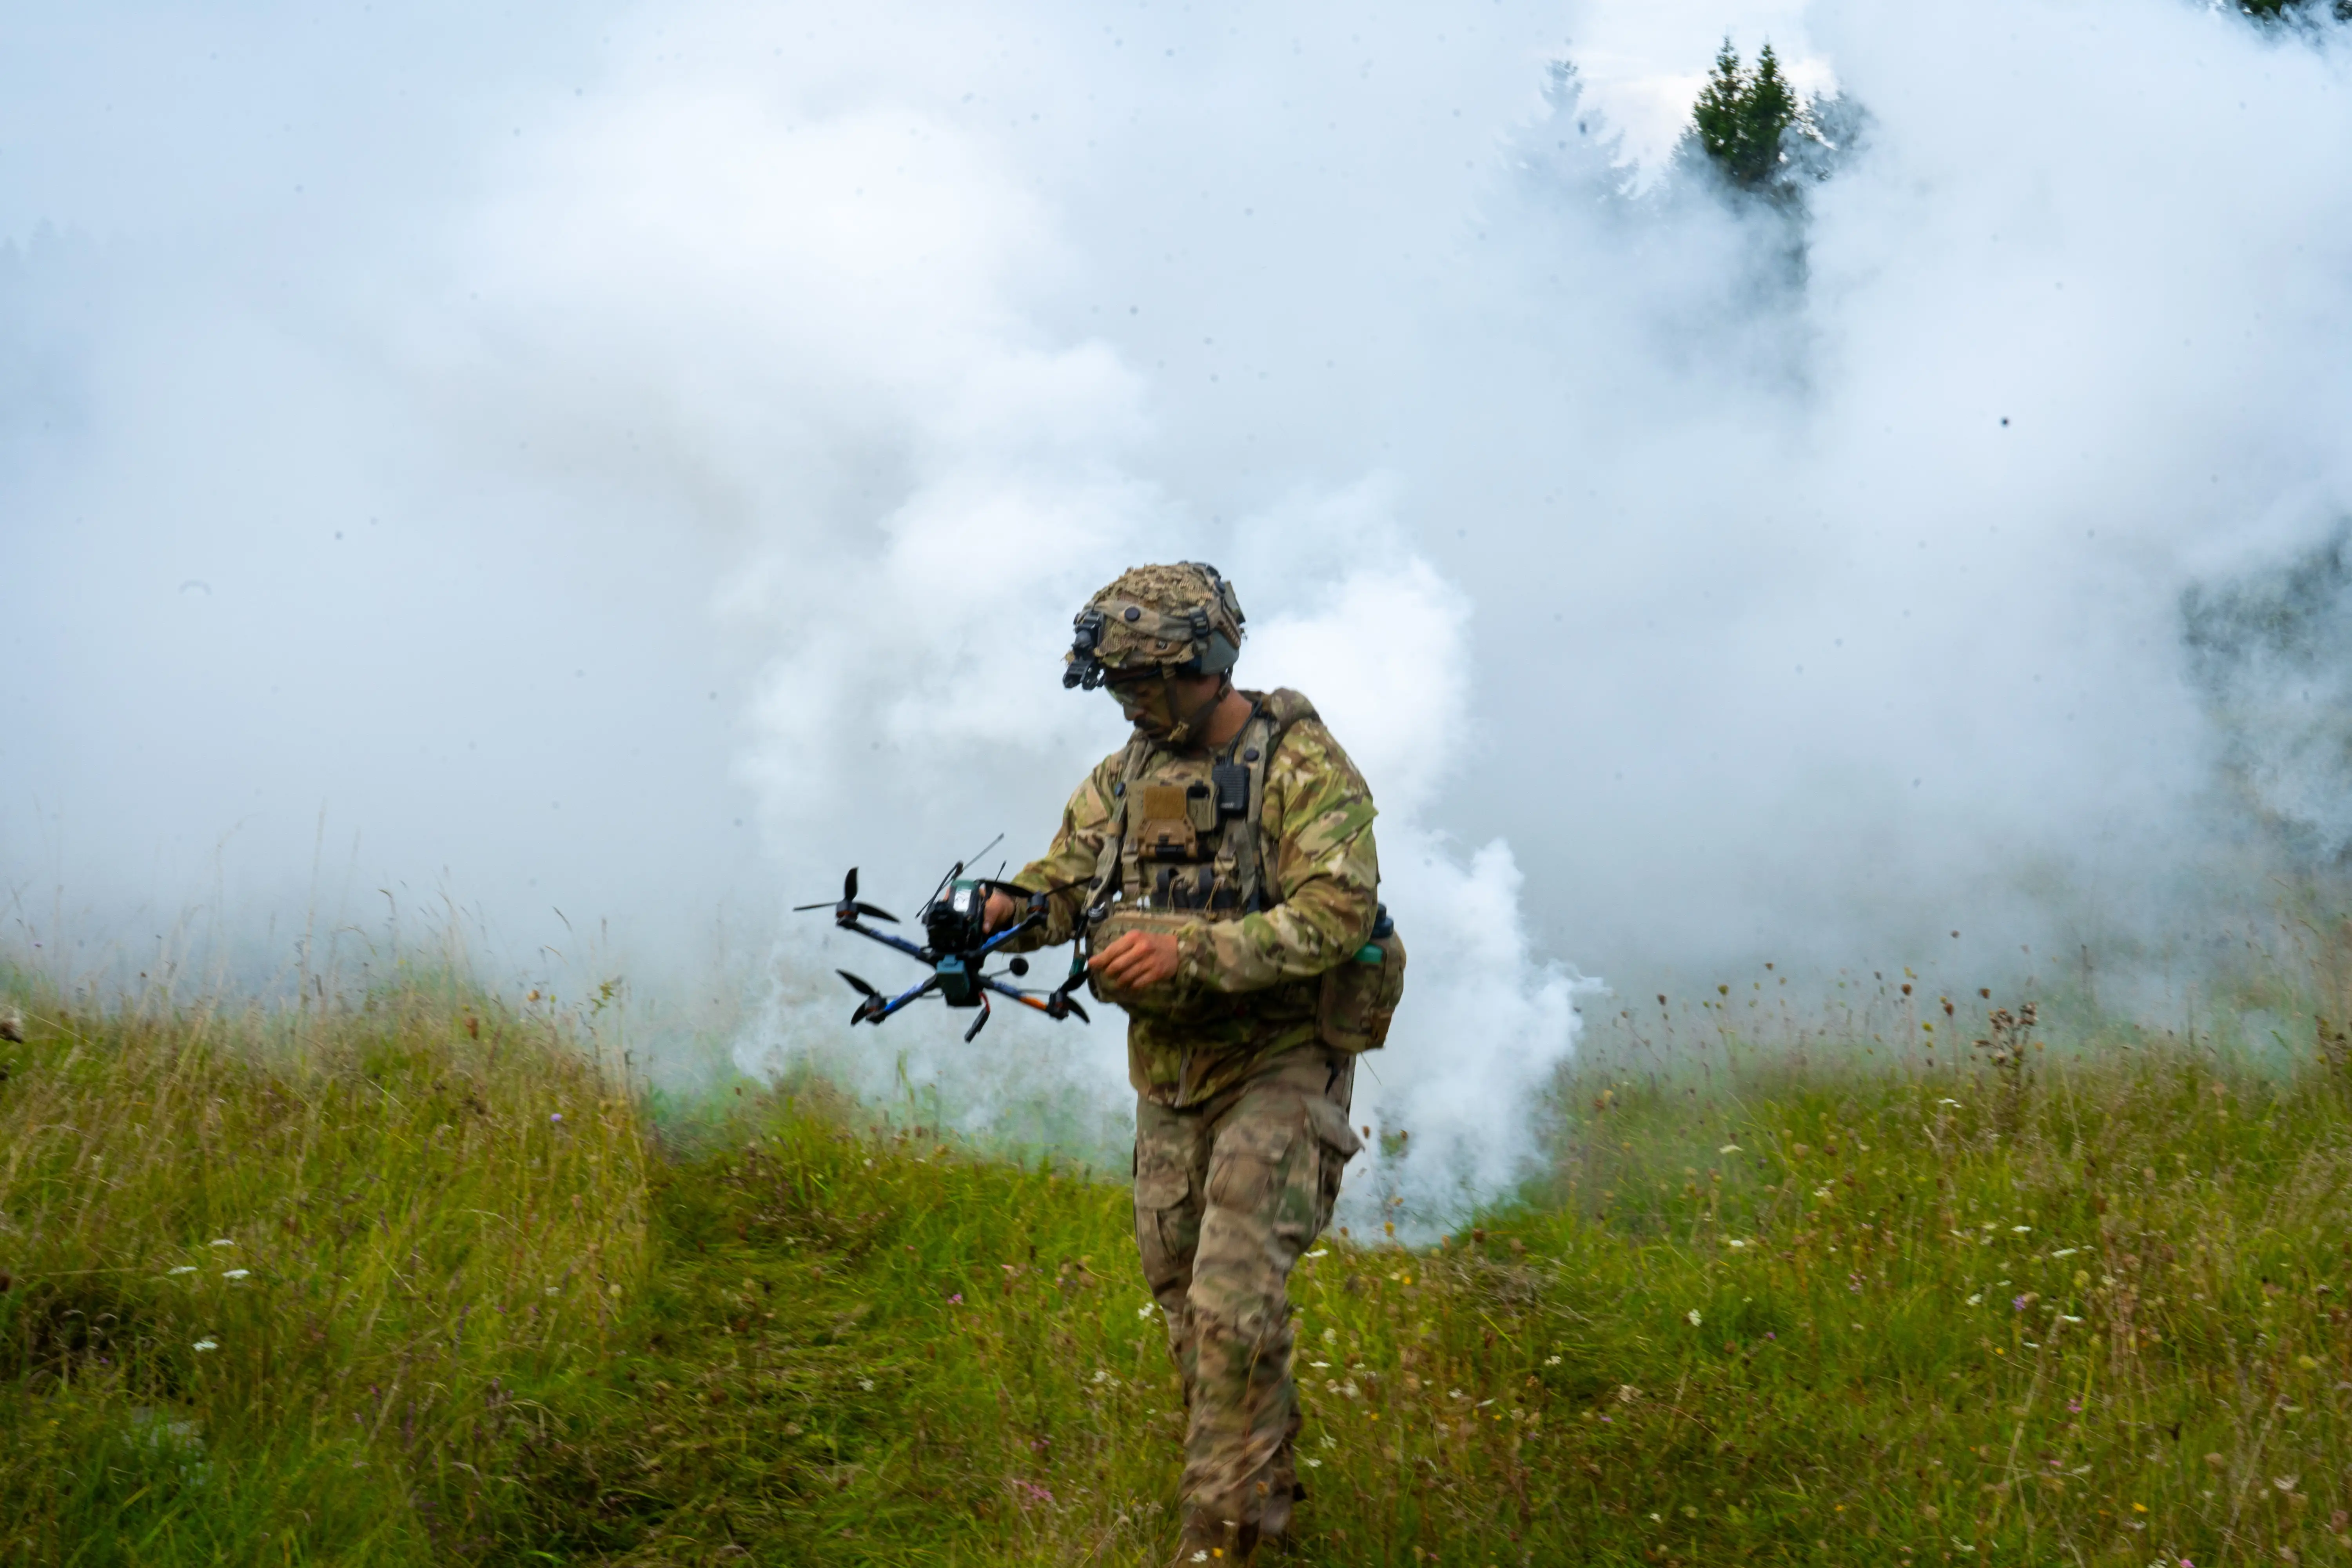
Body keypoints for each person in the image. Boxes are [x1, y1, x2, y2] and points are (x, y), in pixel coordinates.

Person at [981, 561, 1403, 1564]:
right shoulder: (1127, 774)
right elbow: (1067, 882)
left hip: (1283, 1063)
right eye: (1118, 684)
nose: (1129, 702)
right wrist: (1006, 910)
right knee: (1188, 1305)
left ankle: (1219, 1548)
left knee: (1231, 1310)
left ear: (1204, 666)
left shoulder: (1302, 765)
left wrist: (1189, 951)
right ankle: (1263, 1507)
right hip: (1171, 1075)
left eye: (1144, 681)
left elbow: (1338, 914)